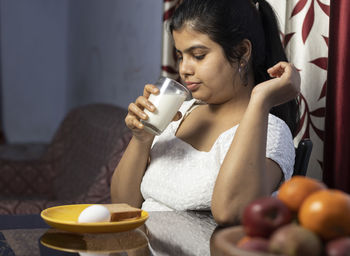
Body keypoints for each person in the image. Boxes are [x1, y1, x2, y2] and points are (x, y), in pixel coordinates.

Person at [111, 0, 300, 226]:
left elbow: (231, 213)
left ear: (242, 52)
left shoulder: (270, 132)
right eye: (181, 56)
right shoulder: (178, 114)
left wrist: (260, 100)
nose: (184, 69)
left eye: (198, 55)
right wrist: (142, 139)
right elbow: (123, 206)